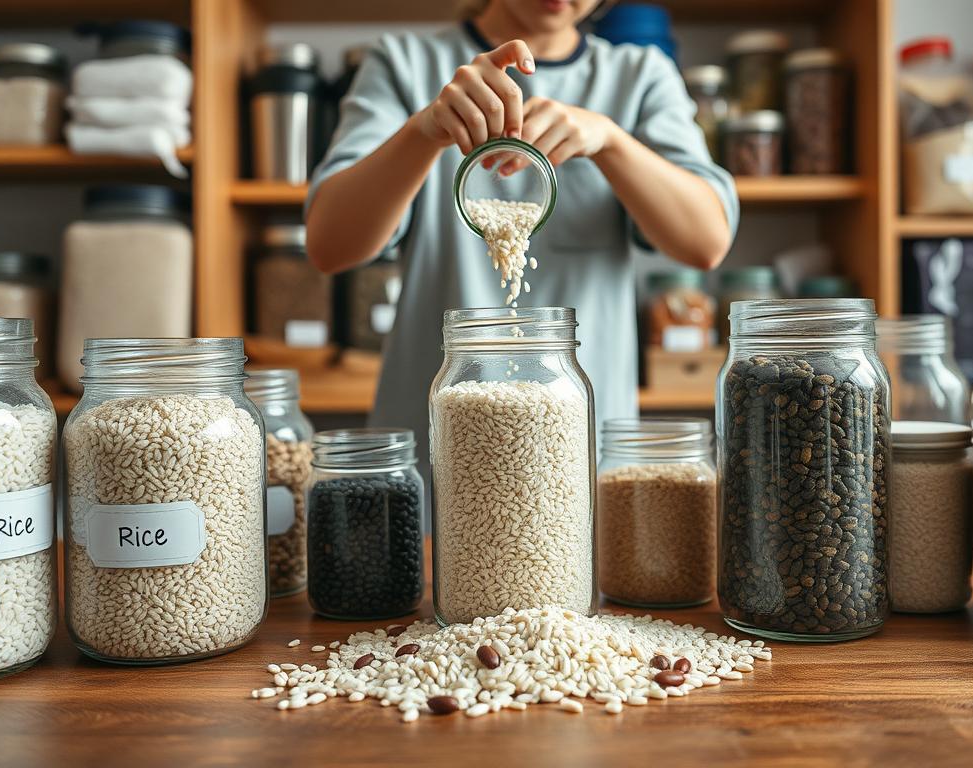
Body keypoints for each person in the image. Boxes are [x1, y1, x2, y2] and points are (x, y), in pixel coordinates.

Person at [307, 0, 738, 476]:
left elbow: (706, 241)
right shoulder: (405, 63)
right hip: (438, 438)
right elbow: (329, 244)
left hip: (578, 439)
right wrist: (423, 131)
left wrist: (611, 141)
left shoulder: (637, 75)